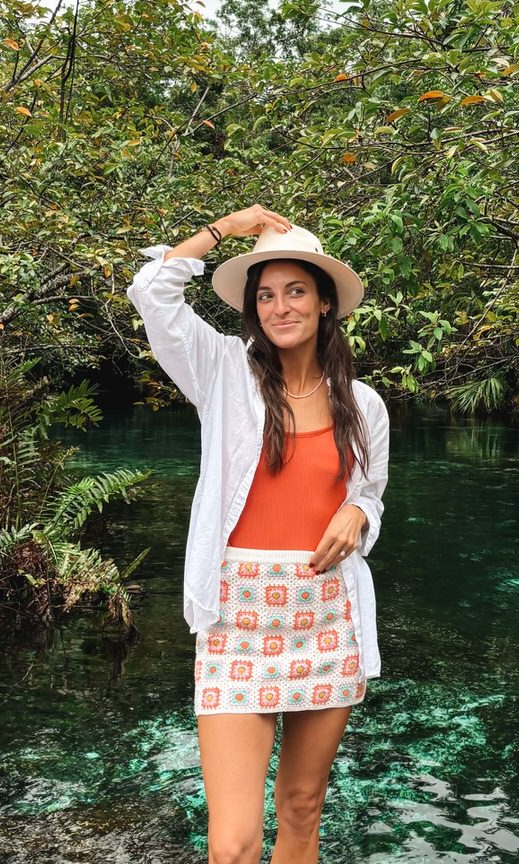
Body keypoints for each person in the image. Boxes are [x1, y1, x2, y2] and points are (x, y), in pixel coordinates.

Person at [125, 203, 390, 864]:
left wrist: (360, 516)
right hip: (237, 617)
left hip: (325, 615)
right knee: (235, 844)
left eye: (296, 291)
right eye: (265, 295)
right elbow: (151, 291)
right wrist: (223, 230)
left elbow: (369, 499)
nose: (280, 307)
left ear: (326, 302)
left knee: (301, 809)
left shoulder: (365, 405)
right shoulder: (222, 374)